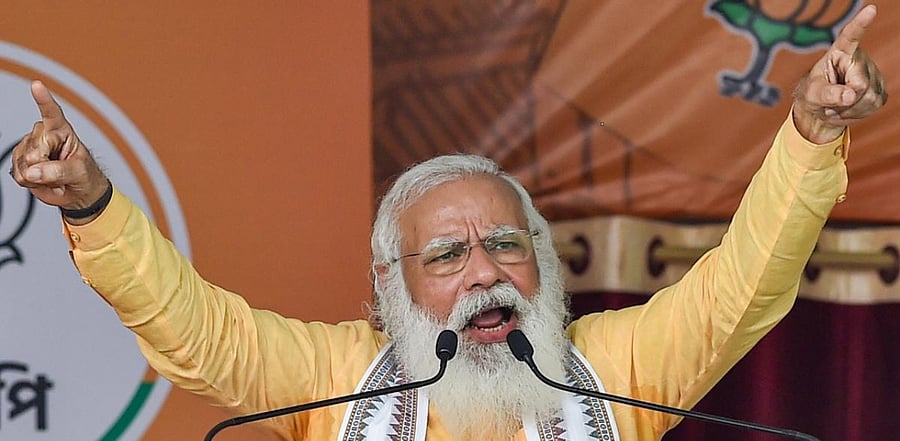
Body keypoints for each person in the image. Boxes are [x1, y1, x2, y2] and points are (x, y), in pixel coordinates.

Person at [9, 5, 887, 441]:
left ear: (544, 262)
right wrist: (92, 204)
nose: (485, 272)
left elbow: (745, 285)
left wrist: (811, 138)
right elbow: (196, 333)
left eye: (508, 244)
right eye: (447, 253)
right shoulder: (337, 381)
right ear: (390, 288)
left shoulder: (620, 371)